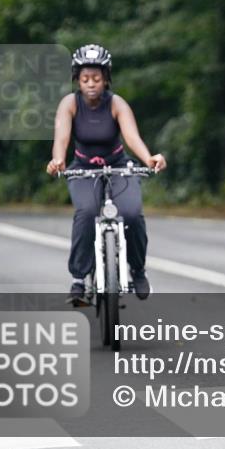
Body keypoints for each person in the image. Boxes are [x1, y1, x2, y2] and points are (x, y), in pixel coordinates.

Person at [45, 44, 167, 306]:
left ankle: (138, 270)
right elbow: (61, 138)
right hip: (83, 169)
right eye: (85, 79)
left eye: (97, 79)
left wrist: (149, 158)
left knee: (132, 214)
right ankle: (79, 279)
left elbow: (132, 136)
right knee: (87, 213)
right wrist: (58, 160)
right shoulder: (70, 104)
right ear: (77, 79)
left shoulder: (116, 104)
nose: (91, 84)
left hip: (118, 166)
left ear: (106, 79)